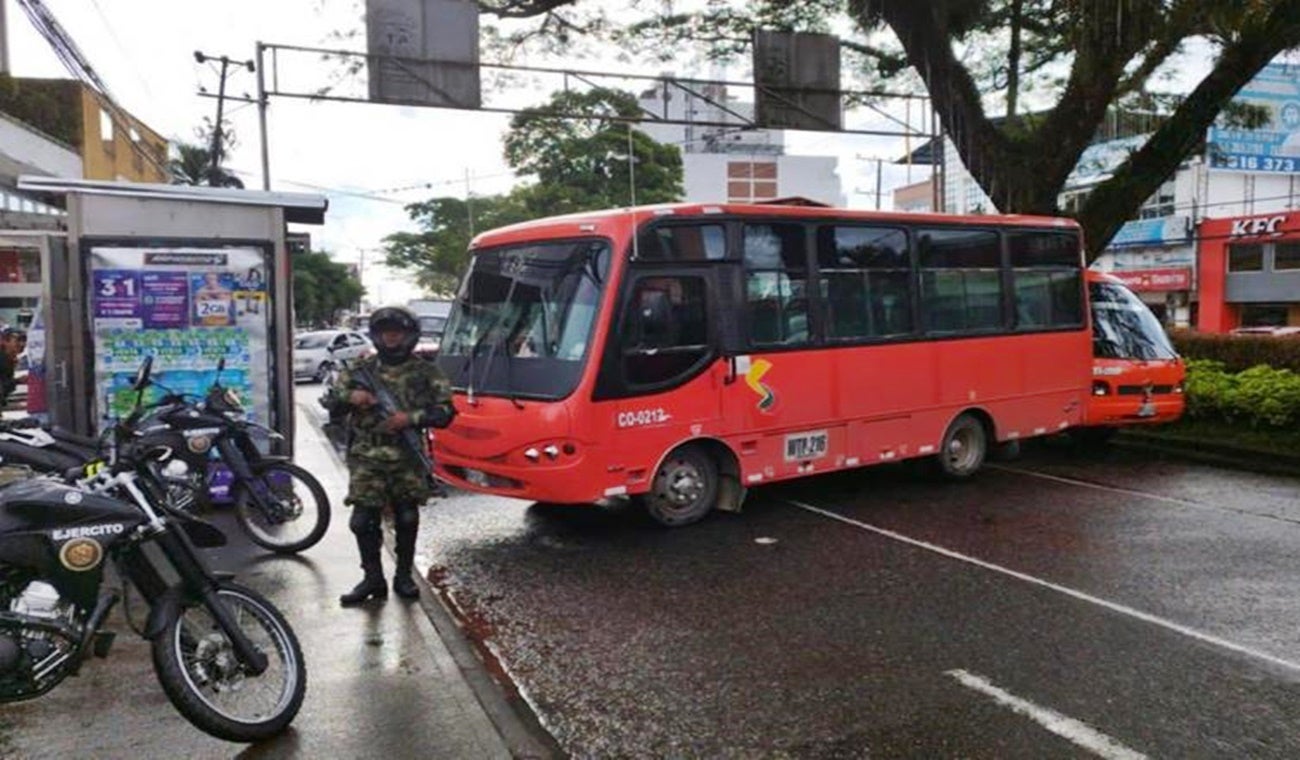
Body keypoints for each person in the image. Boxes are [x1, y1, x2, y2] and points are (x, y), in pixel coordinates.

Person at [324, 306, 456, 606]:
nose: (391, 338)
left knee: (407, 517)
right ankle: (372, 579)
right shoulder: (360, 370)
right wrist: (351, 397)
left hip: (406, 454)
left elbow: (446, 412)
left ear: (409, 335)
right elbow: (332, 402)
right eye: (385, 332)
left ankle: (404, 576)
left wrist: (409, 418)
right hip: (367, 455)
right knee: (362, 521)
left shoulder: (426, 372)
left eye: (397, 332)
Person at [0, 327, 25, 407]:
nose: (22, 344)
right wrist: (18, 381)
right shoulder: (3, 359)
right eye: (18, 340)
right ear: (5, 342)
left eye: (24, 340)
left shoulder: (10, 359)